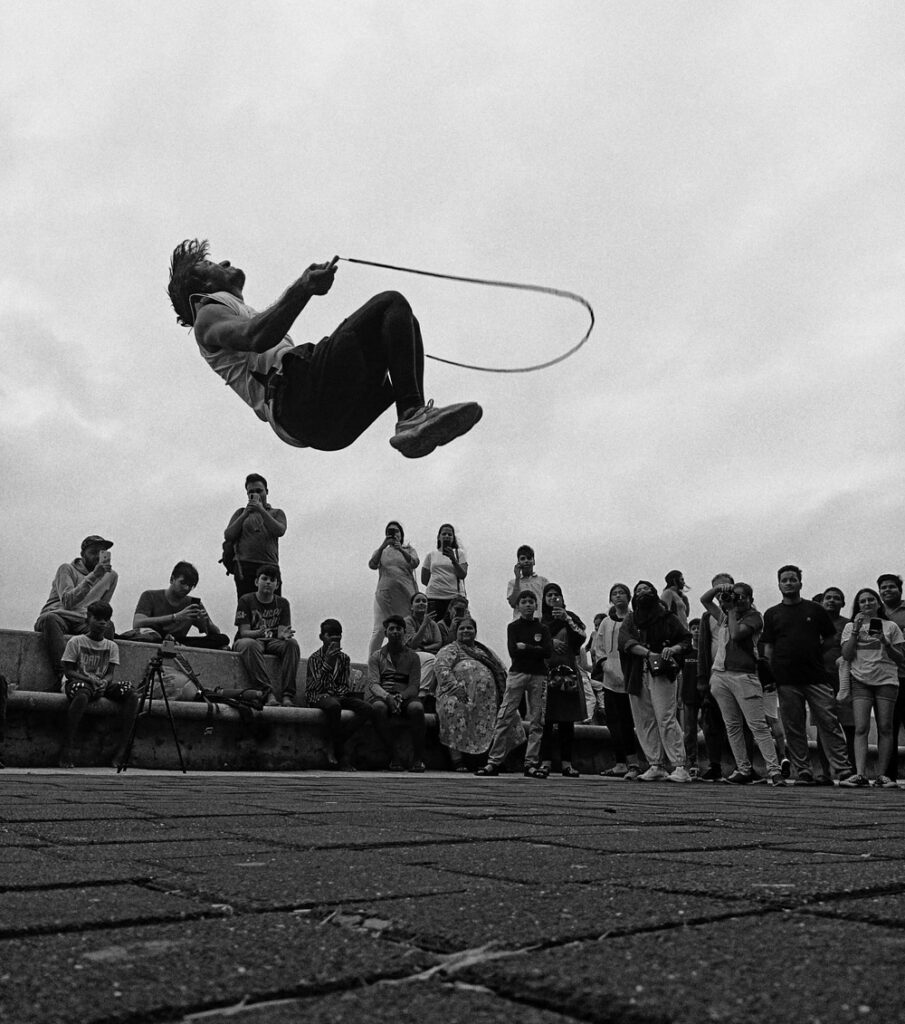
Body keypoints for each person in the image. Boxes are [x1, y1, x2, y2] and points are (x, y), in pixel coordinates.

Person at [168, 241, 482, 458]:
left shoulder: (235, 309)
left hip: (327, 430)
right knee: (391, 303)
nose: (222, 262)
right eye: (210, 264)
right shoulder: (207, 312)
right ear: (204, 287)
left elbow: (262, 332)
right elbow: (255, 336)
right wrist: (303, 288)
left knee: (402, 321)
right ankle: (411, 414)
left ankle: (413, 419)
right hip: (296, 402)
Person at [761, 565, 856, 786]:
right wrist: (771, 672)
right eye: (784, 580)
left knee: (829, 722)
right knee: (793, 726)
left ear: (800, 584)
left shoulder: (815, 610)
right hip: (786, 679)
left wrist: (814, 653)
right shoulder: (772, 613)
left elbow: (830, 639)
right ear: (779, 584)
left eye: (793, 579)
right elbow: (769, 648)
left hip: (816, 676)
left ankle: (843, 771)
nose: (788, 583)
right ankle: (803, 771)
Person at [699, 582, 785, 786]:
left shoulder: (754, 618)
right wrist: (719, 589)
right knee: (732, 725)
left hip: (744, 675)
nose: (737, 600)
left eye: (741, 596)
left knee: (758, 725)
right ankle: (743, 768)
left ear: (750, 599)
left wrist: (730, 610)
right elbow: (704, 600)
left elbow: (737, 635)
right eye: (733, 596)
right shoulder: (725, 617)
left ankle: (774, 769)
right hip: (720, 674)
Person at [619, 580, 693, 782]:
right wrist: (649, 654)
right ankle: (655, 764)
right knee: (644, 720)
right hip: (637, 673)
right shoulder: (631, 620)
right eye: (638, 590)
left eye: (646, 589)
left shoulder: (667, 618)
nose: (643, 592)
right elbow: (625, 642)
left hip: (662, 673)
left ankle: (679, 765)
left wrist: (673, 650)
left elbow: (686, 639)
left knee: (665, 717)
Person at [476, 591, 551, 777]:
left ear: (536, 605)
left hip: (539, 675)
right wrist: (536, 650)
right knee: (505, 716)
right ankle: (494, 761)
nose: (527, 605)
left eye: (531, 601)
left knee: (537, 720)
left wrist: (527, 648)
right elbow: (513, 651)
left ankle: (531, 762)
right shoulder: (513, 627)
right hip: (517, 673)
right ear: (518, 606)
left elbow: (548, 651)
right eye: (524, 602)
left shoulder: (543, 629)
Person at [58, 601, 138, 769]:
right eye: (98, 619)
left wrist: (104, 683)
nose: (102, 623)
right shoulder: (76, 642)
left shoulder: (112, 646)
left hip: (99, 683)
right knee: (82, 695)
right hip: (78, 682)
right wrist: (89, 680)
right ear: (88, 620)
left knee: (131, 693)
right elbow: (68, 671)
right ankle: (67, 747)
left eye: (106, 619)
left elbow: (110, 673)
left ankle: (122, 750)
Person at [837, 589, 905, 788]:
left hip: (886, 680)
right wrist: (856, 631)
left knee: (885, 727)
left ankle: (882, 775)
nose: (867, 604)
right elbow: (847, 654)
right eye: (862, 601)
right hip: (860, 680)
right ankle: (859, 773)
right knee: (861, 727)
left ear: (878, 603)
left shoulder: (890, 626)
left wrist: (885, 642)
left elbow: (900, 657)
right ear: (858, 605)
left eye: (870, 600)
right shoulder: (850, 627)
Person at [35, 535, 118, 687]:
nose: (97, 556)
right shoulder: (66, 569)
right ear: (82, 554)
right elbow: (68, 601)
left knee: (107, 624)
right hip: (59, 615)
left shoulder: (111, 576)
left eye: (102, 552)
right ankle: (64, 676)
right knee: (49, 620)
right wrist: (94, 576)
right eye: (93, 552)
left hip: (85, 620)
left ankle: (100, 678)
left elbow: (102, 608)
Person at [434, 617, 513, 771]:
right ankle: (457, 760)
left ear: (475, 631)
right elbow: (441, 668)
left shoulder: (485, 651)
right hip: (457, 694)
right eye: (461, 628)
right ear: (456, 632)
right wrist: (455, 689)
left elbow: (501, 670)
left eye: (469, 628)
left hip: (487, 701)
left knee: (509, 715)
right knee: (453, 709)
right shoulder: (451, 649)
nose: (465, 631)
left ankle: (495, 760)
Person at [305, 619, 372, 770]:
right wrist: (328, 663)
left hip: (337, 696)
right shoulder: (315, 659)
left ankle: (336, 740)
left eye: (338, 638)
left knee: (366, 708)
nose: (335, 641)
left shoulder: (344, 658)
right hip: (317, 696)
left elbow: (343, 684)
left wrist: (339, 693)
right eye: (331, 637)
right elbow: (314, 687)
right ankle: (341, 756)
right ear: (322, 637)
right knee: (334, 707)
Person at [537, 582, 587, 778]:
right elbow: (536, 643)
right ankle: (546, 761)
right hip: (546, 674)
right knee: (546, 720)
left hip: (567, 674)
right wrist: (551, 642)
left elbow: (581, 637)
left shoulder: (570, 618)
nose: (552, 599)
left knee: (567, 720)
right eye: (548, 595)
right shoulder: (540, 622)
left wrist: (567, 619)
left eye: (556, 595)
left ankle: (567, 762)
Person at [593, 584, 642, 779]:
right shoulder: (605, 622)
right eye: (614, 593)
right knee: (613, 722)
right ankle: (620, 762)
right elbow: (599, 648)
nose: (618, 596)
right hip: (609, 679)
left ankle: (634, 762)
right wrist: (605, 666)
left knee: (628, 722)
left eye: (622, 593)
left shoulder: (634, 619)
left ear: (629, 597)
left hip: (630, 677)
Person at [234, 564, 300, 707]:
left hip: (271, 641)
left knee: (292, 644)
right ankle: (267, 693)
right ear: (257, 582)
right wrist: (259, 633)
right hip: (250, 639)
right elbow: (243, 632)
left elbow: (282, 631)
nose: (268, 582)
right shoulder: (246, 600)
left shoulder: (282, 603)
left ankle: (288, 695)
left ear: (277, 585)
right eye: (264, 578)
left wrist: (283, 636)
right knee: (248, 644)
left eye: (272, 580)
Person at [366, 616, 426, 772]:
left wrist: (400, 697)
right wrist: (387, 697)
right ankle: (394, 756)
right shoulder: (376, 657)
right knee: (378, 708)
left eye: (398, 629)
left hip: (405, 696)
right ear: (385, 633)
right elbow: (373, 683)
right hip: (383, 695)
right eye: (391, 629)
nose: (395, 632)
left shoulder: (413, 657)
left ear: (404, 632)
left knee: (417, 709)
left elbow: (414, 685)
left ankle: (417, 758)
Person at [693, 573, 736, 782]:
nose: (723, 593)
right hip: (713, 675)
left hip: (737, 673)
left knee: (739, 722)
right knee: (711, 722)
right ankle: (715, 765)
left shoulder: (744, 612)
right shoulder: (708, 616)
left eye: (727, 588)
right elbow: (702, 649)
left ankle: (741, 765)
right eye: (718, 589)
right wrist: (702, 678)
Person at [127, 562, 229, 649]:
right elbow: (137, 623)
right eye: (182, 583)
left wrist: (206, 622)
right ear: (172, 579)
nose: (186, 588)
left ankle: (175, 645)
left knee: (222, 639)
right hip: (155, 639)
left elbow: (215, 633)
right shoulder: (149, 595)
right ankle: (171, 644)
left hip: (179, 642)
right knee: (150, 635)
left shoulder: (193, 604)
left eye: (190, 585)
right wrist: (175, 617)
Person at [223, 474, 287, 599]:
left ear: (266, 492)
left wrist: (261, 510)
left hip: (269, 565)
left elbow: (279, 530)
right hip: (245, 566)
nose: (255, 494)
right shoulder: (241, 512)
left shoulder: (277, 513)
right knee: (246, 605)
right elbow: (228, 535)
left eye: (259, 491)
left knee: (272, 606)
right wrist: (246, 513)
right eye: (251, 492)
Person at [814, 587, 854, 779]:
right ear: (821, 601)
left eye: (837, 598)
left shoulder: (848, 624)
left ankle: (852, 770)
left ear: (843, 603)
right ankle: (824, 772)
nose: (832, 601)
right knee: (824, 726)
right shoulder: (812, 623)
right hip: (819, 680)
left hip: (844, 679)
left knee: (849, 725)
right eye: (828, 598)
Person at [368, 521, 419, 655]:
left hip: (405, 595)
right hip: (384, 596)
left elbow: (415, 563)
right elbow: (372, 564)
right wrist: (382, 546)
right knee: (379, 629)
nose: (393, 533)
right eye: (390, 531)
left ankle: (404, 661)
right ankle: (372, 663)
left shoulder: (408, 549)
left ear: (401, 534)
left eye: (396, 531)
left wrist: (400, 549)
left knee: (405, 628)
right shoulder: (382, 551)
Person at [877, 573, 905, 780]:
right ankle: (889, 775)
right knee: (887, 727)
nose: (887, 590)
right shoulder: (875, 614)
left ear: (900, 590)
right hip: (884, 679)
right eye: (883, 588)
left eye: (891, 587)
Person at [421, 524, 468, 620]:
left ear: (453, 538)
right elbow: (424, 579)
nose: (447, 536)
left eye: (450, 535)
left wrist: (453, 559)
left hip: (453, 596)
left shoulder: (459, 554)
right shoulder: (431, 555)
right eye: (444, 534)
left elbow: (462, 574)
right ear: (439, 537)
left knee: (454, 625)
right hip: (433, 596)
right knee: (434, 626)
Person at [404, 592, 444, 701]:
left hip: (427, 652)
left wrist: (425, 648)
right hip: (410, 654)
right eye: (418, 601)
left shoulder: (433, 623)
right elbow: (413, 644)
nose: (421, 603)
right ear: (411, 606)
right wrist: (424, 624)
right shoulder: (408, 621)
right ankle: (422, 693)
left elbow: (438, 642)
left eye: (424, 601)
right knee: (430, 659)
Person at [506, 546, 549, 618]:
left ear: (534, 561)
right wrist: (517, 578)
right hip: (519, 624)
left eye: (529, 558)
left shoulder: (543, 581)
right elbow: (513, 603)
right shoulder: (512, 583)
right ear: (518, 562)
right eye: (523, 559)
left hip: (538, 623)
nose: (526, 561)